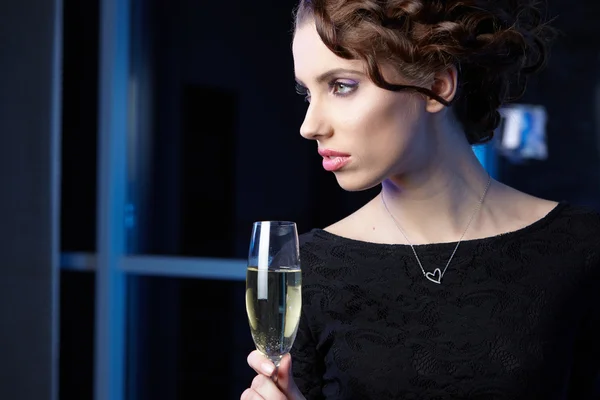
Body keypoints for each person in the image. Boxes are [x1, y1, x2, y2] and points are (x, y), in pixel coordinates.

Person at [242, 0, 600, 398]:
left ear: (436, 86)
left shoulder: (582, 248)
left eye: (341, 86)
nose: (310, 126)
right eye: (308, 93)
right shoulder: (311, 268)